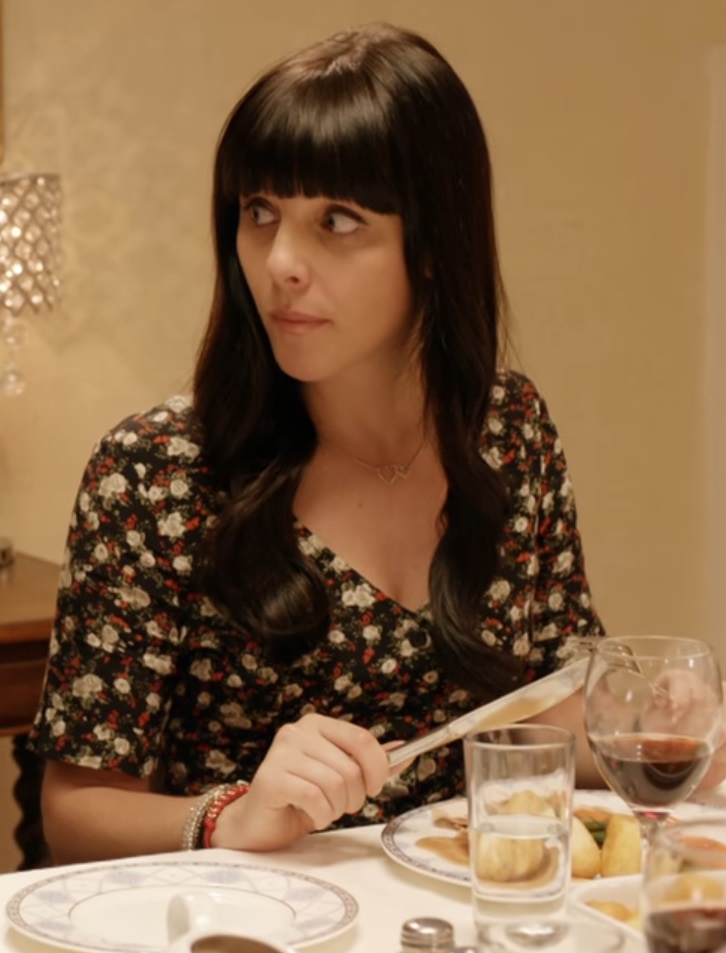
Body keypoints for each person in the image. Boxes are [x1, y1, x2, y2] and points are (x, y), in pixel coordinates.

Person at [28, 22, 607, 865]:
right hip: (241, 916)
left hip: (460, 905)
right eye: (259, 213)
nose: (281, 263)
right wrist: (230, 816)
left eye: (337, 220)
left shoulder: (509, 431)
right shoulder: (155, 473)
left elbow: (551, 709)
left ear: (435, 246)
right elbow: (74, 811)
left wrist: (663, 725)